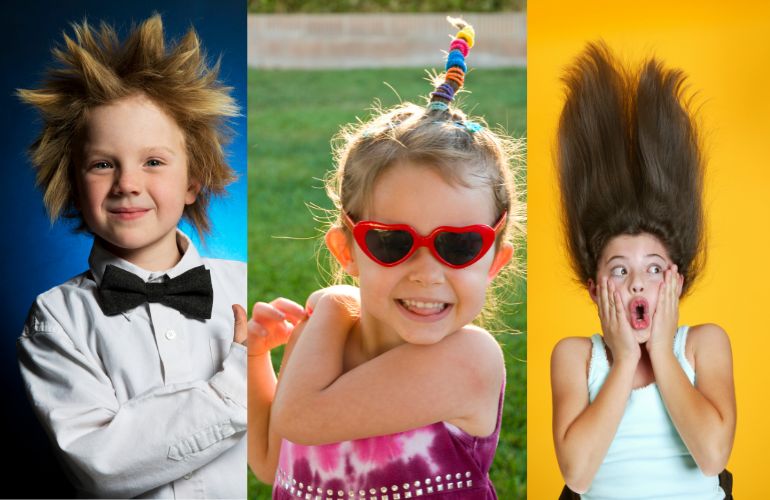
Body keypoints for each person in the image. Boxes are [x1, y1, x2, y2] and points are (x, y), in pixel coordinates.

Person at [247, 18, 524, 499]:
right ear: (347, 249)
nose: (426, 271)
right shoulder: (321, 343)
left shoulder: (469, 360)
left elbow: (302, 416)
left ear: (495, 260)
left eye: (459, 245)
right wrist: (255, 361)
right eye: (392, 241)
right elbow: (275, 465)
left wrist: (333, 302)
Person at [16, 15, 246, 499]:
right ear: (74, 186)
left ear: (192, 181)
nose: (127, 184)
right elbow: (104, 465)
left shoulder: (248, 291)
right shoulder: (56, 318)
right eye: (102, 164)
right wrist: (234, 391)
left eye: (154, 161)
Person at [550, 42, 736, 499]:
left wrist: (662, 352)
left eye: (654, 269)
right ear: (594, 290)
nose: (636, 280)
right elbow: (576, 474)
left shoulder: (703, 345)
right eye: (619, 270)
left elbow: (713, 456)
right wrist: (627, 358)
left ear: (677, 281)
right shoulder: (577, 357)